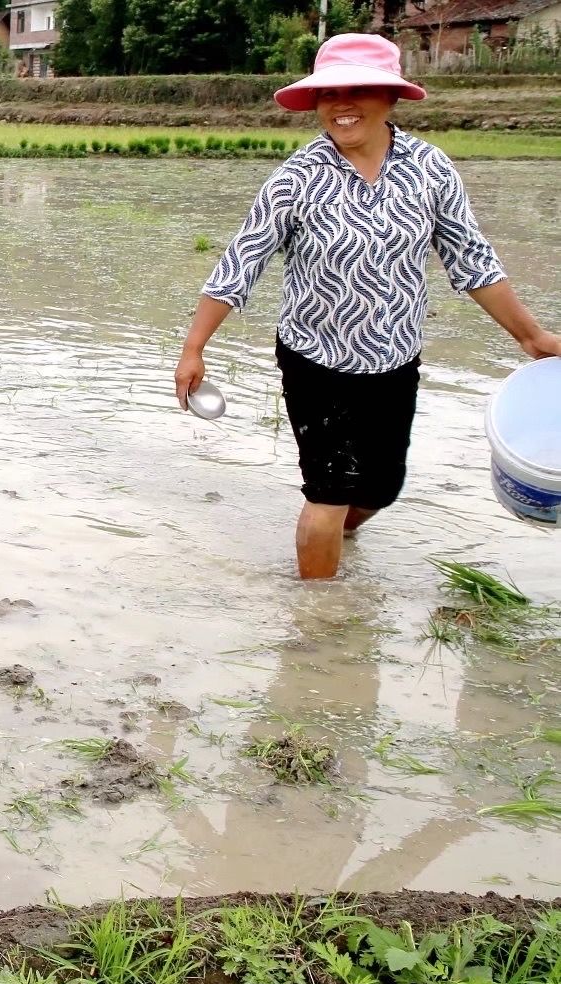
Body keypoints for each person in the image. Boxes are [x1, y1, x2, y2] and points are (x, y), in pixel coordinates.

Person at [174, 33, 560, 580]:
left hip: (394, 359)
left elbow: (472, 260)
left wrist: (531, 336)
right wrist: (194, 348)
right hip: (315, 358)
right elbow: (241, 262)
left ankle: (340, 533)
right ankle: (317, 628)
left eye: (360, 90)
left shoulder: (429, 168)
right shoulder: (297, 177)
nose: (342, 105)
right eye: (330, 94)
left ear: (391, 99)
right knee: (328, 495)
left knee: (380, 489)